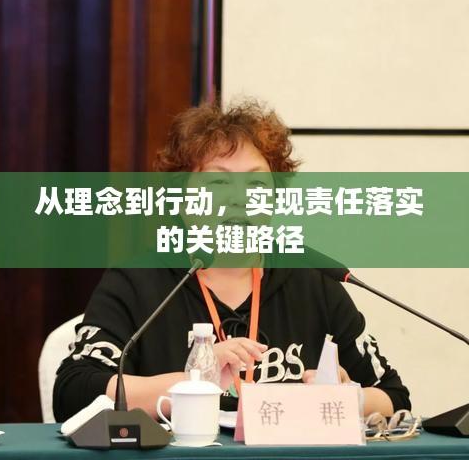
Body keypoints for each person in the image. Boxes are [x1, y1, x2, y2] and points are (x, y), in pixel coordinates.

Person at [53, 100, 410, 422]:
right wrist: (193, 383)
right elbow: (73, 393)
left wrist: (348, 399)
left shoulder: (314, 280)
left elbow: (393, 397)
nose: (239, 198)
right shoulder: (136, 282)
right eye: (219, 183)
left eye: (256, 184)